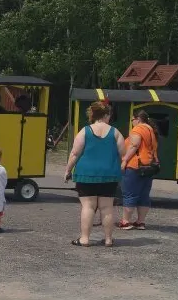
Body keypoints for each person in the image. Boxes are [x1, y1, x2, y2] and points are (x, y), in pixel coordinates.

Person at [64, 101, 126, 247]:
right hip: (109, 175)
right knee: (107, 207)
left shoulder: (85, 131)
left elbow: (75, 153)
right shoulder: (115, 132)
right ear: (106, 115)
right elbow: (123, 154)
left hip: (86, 174)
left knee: (88, 207)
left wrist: (68, 170)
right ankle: (108, 239)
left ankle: (85, 239)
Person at [118, 110, 160, 230]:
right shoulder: (151, 130)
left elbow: (134, 145)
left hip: (135, 165)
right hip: (148, 166)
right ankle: (140, 222)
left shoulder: (138, 129)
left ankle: (126, 222)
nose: (132, 122)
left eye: (132, 120)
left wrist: (125, 160)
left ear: (138, 119)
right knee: (143, 195)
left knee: (129, 194)